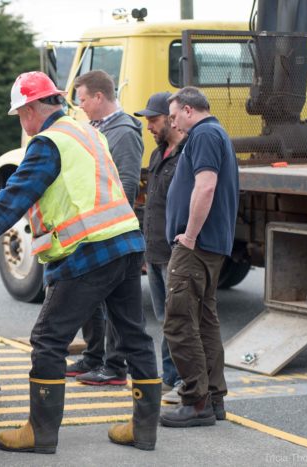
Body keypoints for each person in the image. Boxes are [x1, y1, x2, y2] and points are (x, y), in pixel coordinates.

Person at [0, 71, 160, 454]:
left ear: (30, 109)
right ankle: (144, 430)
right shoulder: (88, 131)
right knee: (134, 335)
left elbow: (14, 197)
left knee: (47, 340)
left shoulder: (49, 142)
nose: (22, 123)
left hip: (89, 250)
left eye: (20, 114)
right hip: (126, 243)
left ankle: (40, 432)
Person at [160, 86, 239, 427]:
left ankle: (196, 401)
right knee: (204, 321)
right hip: (209, 245)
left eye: (175, 116)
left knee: (179, 320)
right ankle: (214, 398)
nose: (173, 123)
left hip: (196, 246)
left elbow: (205, 186)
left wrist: (189, 236)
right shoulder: (214, 133)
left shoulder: (205, 134)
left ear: (189, 110)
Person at [65, 70, 144, 386]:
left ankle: (114, 366)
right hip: (91, 229)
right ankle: (94, 357)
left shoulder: (123, 133)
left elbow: (125, 183)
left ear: (99, 97)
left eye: (83, 99)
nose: (80, 105)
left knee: (113, 303)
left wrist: (101, 222)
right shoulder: (95, 129)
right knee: (92, 300)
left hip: (108, 230)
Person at [133, 92, 186, 403]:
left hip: (173, 252)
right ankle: (170, 376)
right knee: (165, 320)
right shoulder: (158, 156)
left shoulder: (186, 155)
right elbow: (152, 205)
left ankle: (183, 380)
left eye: (153, 120)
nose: (149, 126)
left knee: (179, 320)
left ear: (171, 118)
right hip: (153, 251)